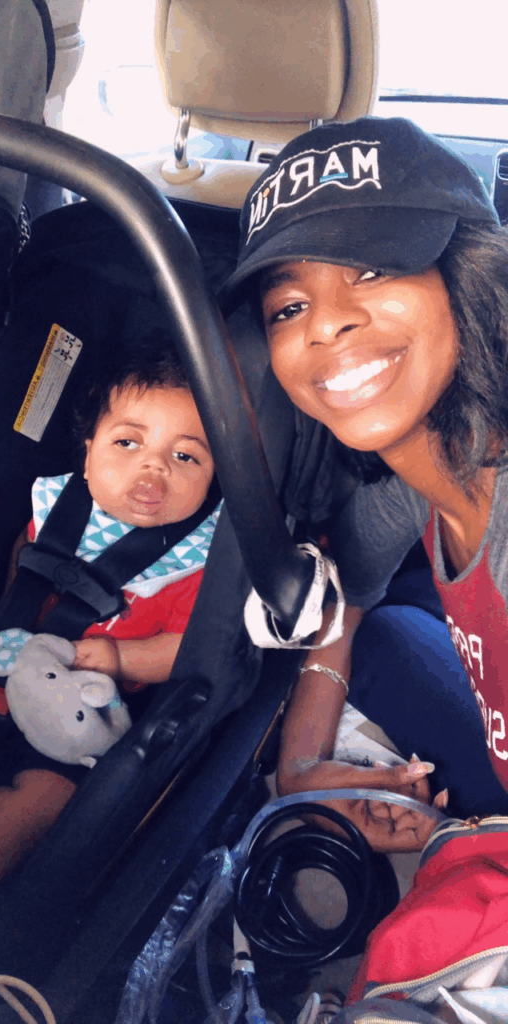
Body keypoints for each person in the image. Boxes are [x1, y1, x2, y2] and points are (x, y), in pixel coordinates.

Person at [223, 115, 508, 851]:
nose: (326, 325)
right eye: (289, 307)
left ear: (467, 273)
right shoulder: (417, 475)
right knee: (384, 633)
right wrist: (300, 769)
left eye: (374, 270)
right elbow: (348, 594)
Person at [0, 334, 217, 914]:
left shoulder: (190, 563)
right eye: (127, 442)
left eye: (186, 456)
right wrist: (0, 622)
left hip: (80, 722)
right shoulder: (58, 506)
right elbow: (25, 560)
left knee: (41, 806)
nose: (153, 467)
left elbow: (185, 647)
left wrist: (120, 658)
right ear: (88, 454)